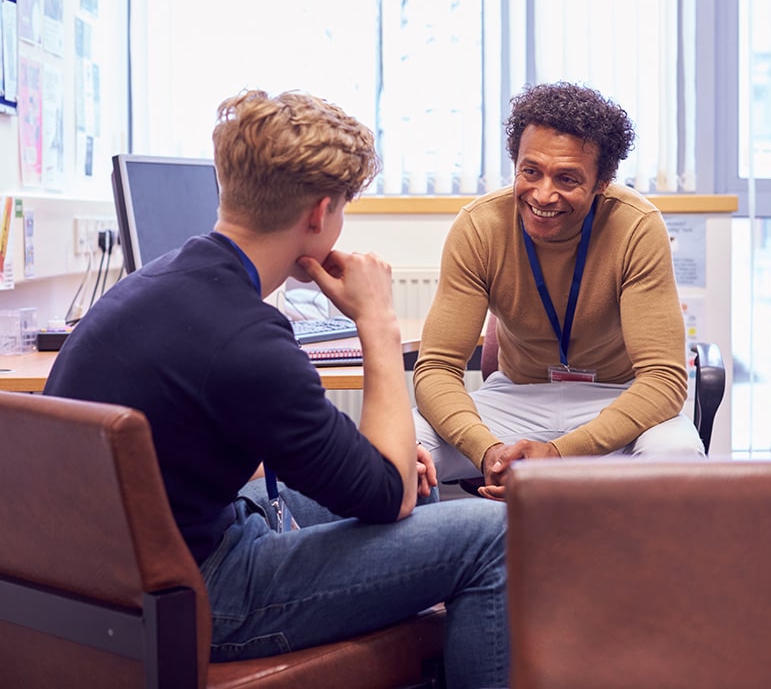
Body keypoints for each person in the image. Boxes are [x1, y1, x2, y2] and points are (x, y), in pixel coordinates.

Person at [44, 89, 509, 688]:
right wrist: (378, 322)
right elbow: (386, 495)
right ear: (319, 215)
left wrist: (387, 474)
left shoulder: (159, 280)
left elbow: (367, 474)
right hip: (200, 594)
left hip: (115, 571)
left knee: (421, 489)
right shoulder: (248, 339)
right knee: (491, 535)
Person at [413, 81, 703, 501]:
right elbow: (436, 369)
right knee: (400, 448)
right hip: (516, 399)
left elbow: (663, 381)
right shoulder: (480, 227)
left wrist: (560, 453)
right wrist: (489, 452)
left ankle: (635, 568)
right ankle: (447, 560)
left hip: (616, 399)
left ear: (602, 182)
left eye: (567, 178)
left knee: (677, 457)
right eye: (531, 171)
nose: (543, 194)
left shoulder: (637, 227)